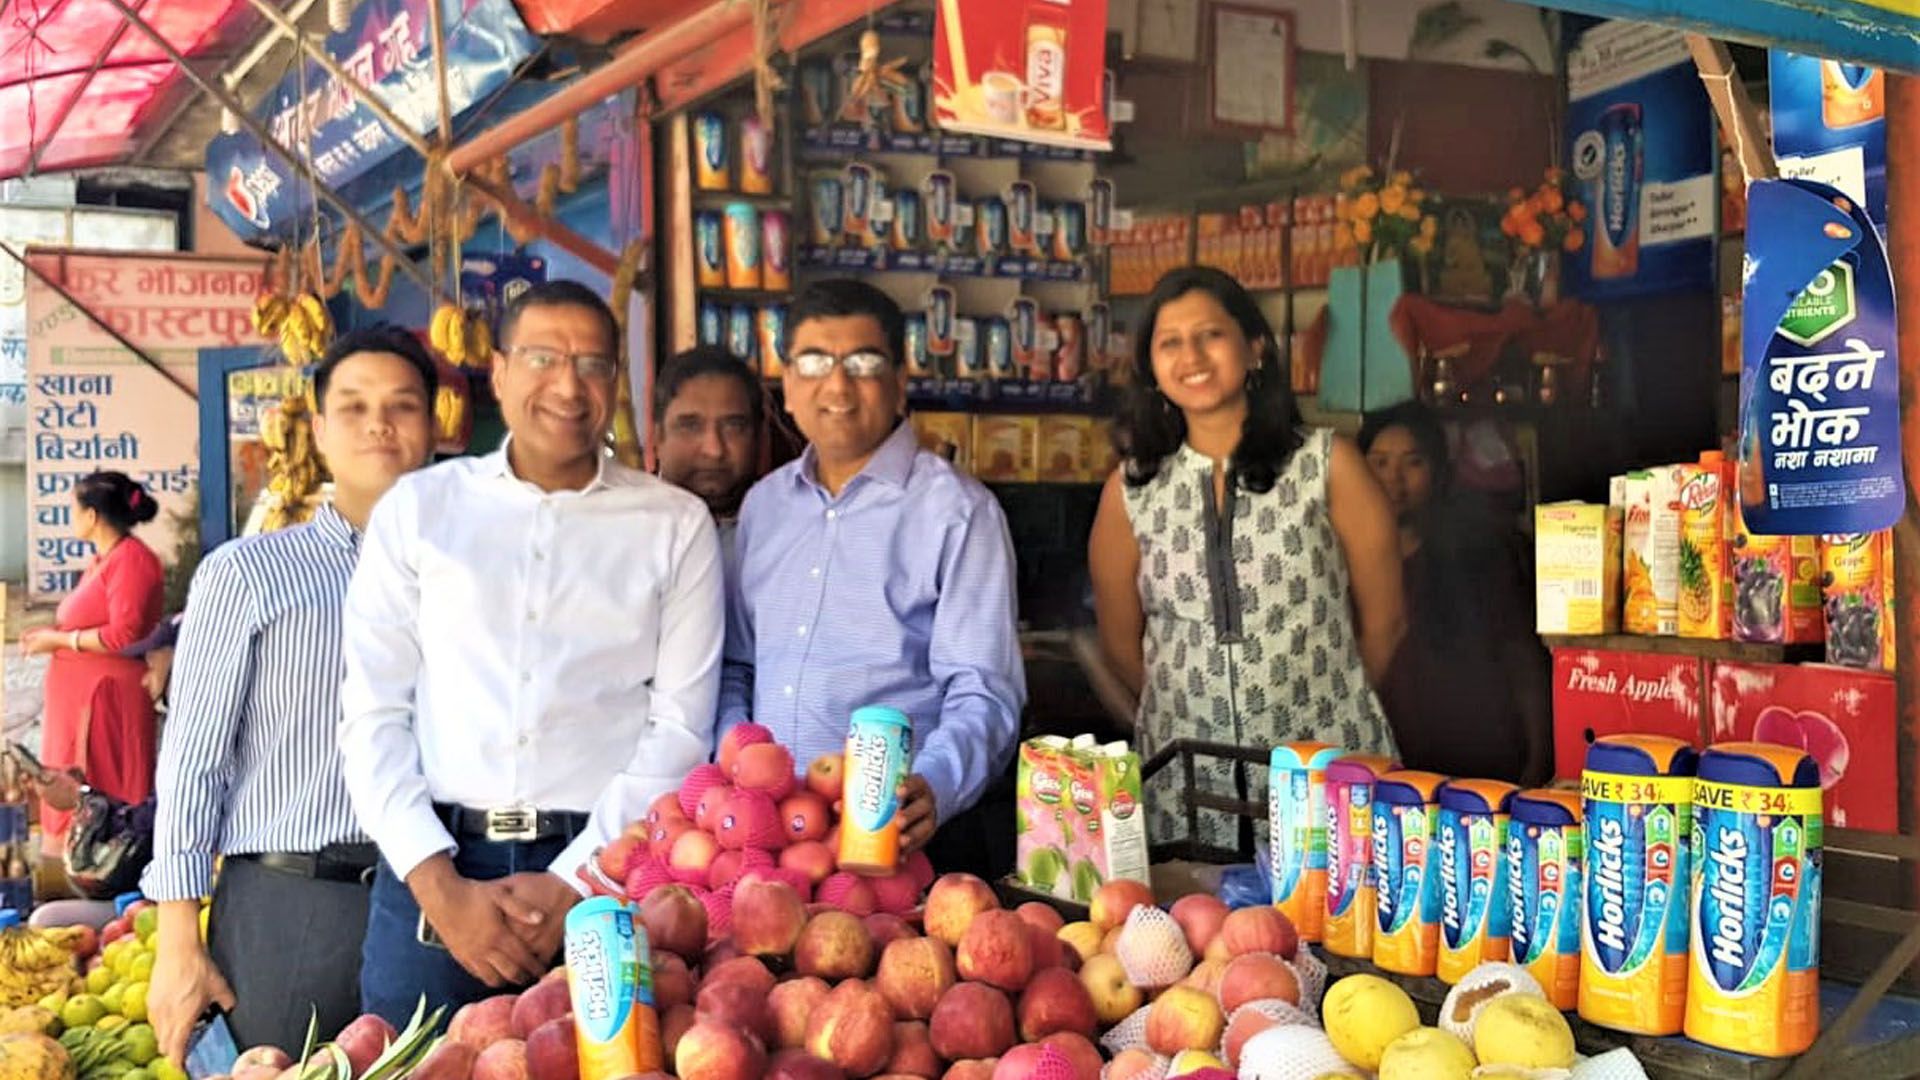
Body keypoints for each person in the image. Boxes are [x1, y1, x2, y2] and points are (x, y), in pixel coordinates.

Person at [340, 281, 722, 1024]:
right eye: (543, 357)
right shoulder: (421, 511)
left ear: (617, 381)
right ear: (500, 370)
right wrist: (438, 886)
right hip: (436, 872)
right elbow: (372, 713)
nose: (568, 386)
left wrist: (578, 881)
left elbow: (680, 727)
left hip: (607, 871)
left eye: (593, 364)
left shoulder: (674, 526)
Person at [143, 325, 440, 1064]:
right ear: (319, 431)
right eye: (354, 406)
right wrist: (178, 941)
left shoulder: (474, 577)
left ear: (433, 429)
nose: (379, 422)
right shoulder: (249, 574)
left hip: (436, 907)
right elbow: (192, 761)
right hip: (291, 907)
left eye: (402, 405)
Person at [1087, 266, 1404, 854]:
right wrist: (1185, 713)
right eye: (1170, 342)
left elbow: (1387, 622)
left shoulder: (1328, 466)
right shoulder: (1130, 491)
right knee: (1194, 940)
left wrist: (1331, 707)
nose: (1192, 356)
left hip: (1324, 779)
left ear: (1254, 348)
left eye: (1210, 334)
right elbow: (1118, 642)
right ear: (1151, 367)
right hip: (1184, 785)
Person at [720, 279, 1024, 867]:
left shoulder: (957, 512)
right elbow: (738, 664)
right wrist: (736, 756)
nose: (836, 385)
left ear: (900, 384)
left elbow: (983, 689)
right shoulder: (764, 507)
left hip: (894, 838)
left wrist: (934, 784)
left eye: (861, 362)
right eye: (813, 362)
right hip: (767, 838)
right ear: (785, 387)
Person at [1361, 402, 1550, 784]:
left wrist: (1541, 762)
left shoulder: (1477, 553)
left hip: (1484, 779)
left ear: (1439, 471)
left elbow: (1522, 661)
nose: (1394, 479)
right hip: (1392, 781)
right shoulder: (1345, 565)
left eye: (1413, 463)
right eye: (1379, 463)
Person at [21, 471, 165, 855]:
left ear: (92, 515)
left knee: (103, 791)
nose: (72, 517)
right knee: (70, 784)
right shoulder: (104, 561)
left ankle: (107, 868)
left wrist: (59, 639)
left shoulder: (132, 561)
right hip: (80, 695)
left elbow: (124, 634)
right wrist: (50, 634)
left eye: (75, 509)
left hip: (106, 698)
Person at [653, 345, 763, 562]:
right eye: (690, 426)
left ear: (758, 436)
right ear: (657, 437)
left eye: (733, 427)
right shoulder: (625, 527)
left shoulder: (787, 529)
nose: (714, 450)